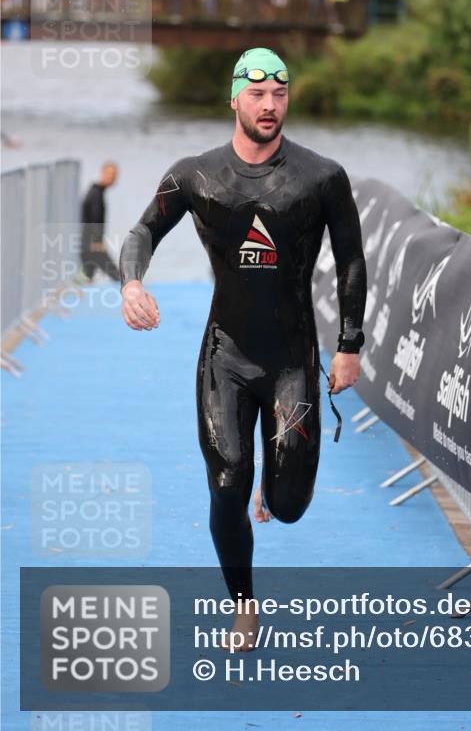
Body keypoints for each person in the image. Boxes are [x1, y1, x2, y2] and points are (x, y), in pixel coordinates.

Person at [119, 47, 367, 651]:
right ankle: (244, 605)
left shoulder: (321, 177)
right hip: (224, 356)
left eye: (279, 95)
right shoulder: (196, 176)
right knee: (227, 480)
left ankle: (275, 478)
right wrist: (131, 282)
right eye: (257, 95)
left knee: (287, 506)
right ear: (235, 98)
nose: (269, 106)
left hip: (291, 361)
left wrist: (349, 346)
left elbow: (352, 261)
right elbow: (142, 231)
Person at [79, 162, 121, 282]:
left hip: (86, 244)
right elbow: (95, 218)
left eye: (114, 175)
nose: (112, 178)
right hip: (91, 245)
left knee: (87, 277)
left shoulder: (96, 191)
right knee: (117, 277)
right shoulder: (96, 194)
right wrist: (97, 241)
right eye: (110, 174)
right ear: (102, 174)